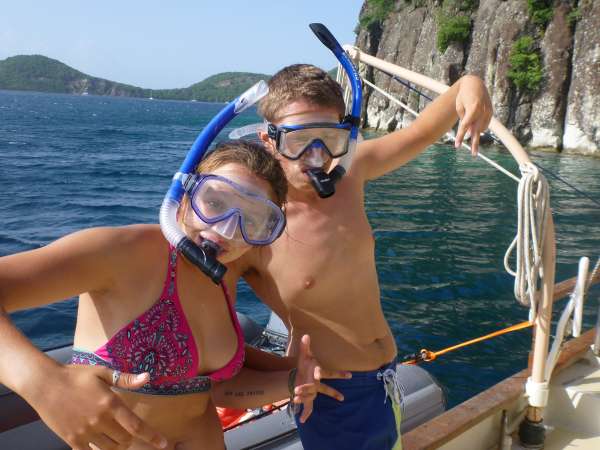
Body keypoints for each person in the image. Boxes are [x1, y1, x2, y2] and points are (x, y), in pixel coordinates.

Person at [0, 140, 348, 450]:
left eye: (253, 220)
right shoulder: (124, 252)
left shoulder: (221, 275)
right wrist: (43, 383)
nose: (226, 229)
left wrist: (291, 380)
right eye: (215, 201)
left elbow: (212, 389)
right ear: (185, 192)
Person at [230, 64, 493, 450]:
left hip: (386, 380)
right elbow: (208, 336)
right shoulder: (252, 227)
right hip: (333, 396)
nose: (316, 156)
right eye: (299, 140)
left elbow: (421, 132)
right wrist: (282, 378)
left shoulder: (350, 174)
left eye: (329, 139)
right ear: (268, 140)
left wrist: (471, 84)